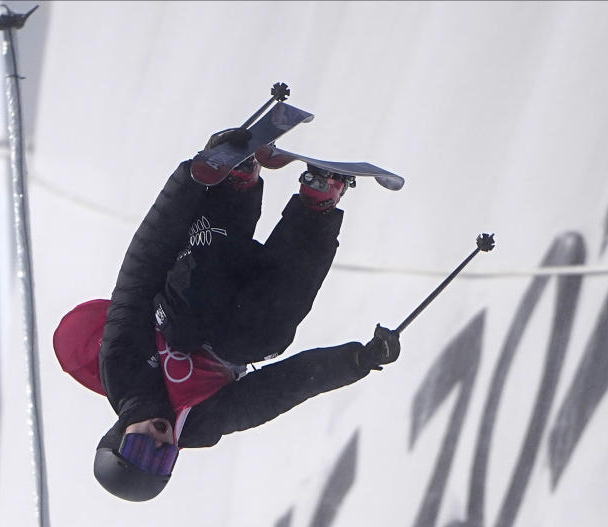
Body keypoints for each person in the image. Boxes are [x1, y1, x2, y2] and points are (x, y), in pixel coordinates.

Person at [59, 128, 400, 502]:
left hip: (201, 275)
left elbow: (141, 268)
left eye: (141, 448)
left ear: (118, 435)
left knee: (185, 327)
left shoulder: (123, 368)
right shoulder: (202, 424)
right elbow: (281, 388)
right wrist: (356, 361)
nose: (158, 440)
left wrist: (190, 181)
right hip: (249, 308)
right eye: (163, 457)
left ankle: (235, 184)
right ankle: (317, 202)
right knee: (261, 341)